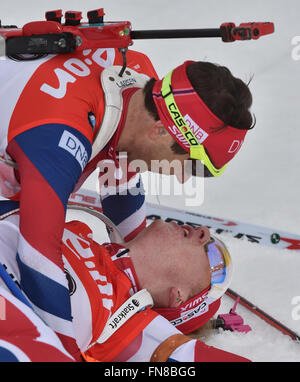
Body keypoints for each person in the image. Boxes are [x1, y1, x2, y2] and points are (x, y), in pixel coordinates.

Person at [0, 46, 254, 359]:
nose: (184, 178)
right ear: (160, 131)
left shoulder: (138, 81)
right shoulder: (61, 135)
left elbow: (122, 182)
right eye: (190, 164)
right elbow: (37, 257)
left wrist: (143, 274)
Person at [0, 201, 250, 362]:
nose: (205, 233)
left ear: (178, 297)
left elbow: (188, 358)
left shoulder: (128, 326)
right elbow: (126, 156)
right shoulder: (82, 234)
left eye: (214, 257)